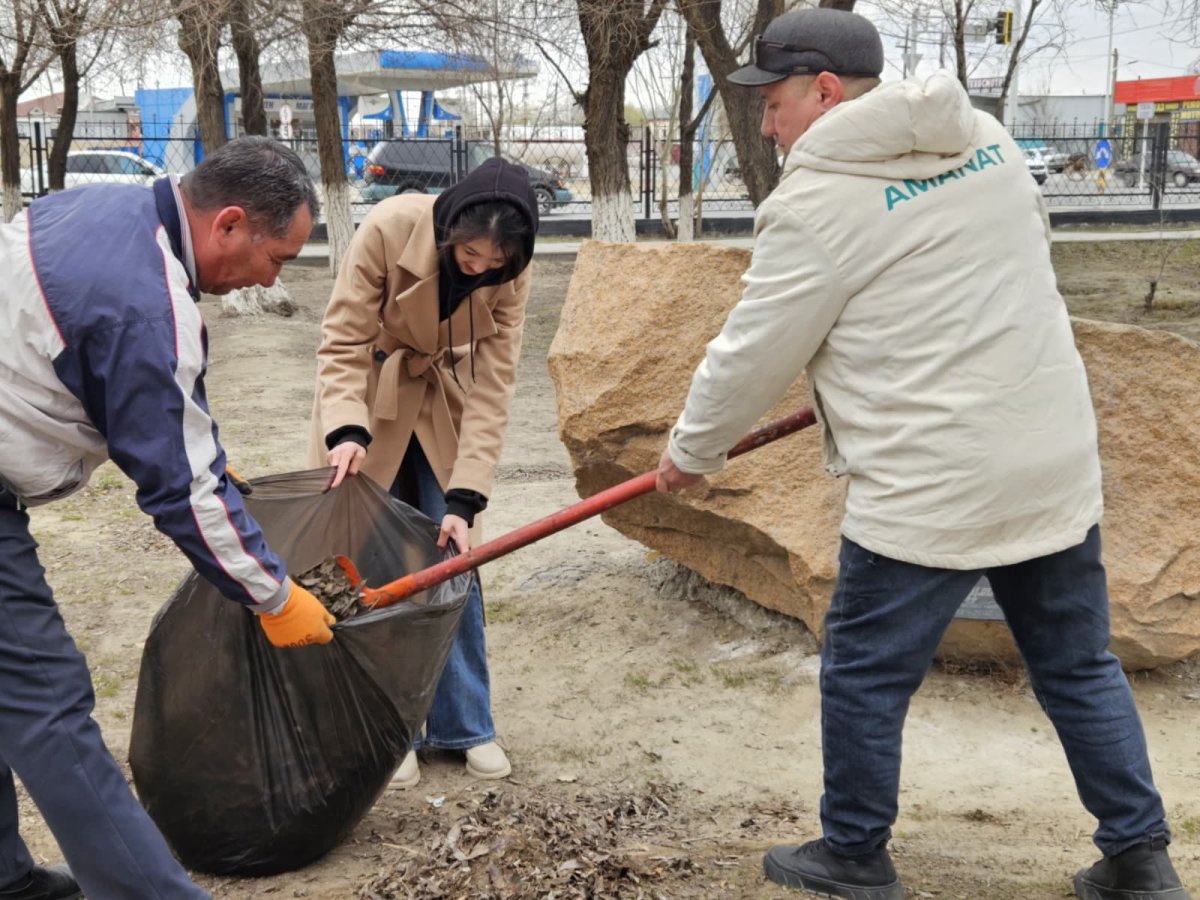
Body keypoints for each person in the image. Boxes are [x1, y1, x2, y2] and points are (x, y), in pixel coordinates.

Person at [654, 9, 1191, 900]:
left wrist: (692, 451)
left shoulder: (817, 203)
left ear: (826, 91)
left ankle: (853, 854)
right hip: (1048, 457)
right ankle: (1140, 859)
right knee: (1077, 663)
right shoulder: (986, 140)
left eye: (774, 103)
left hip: (933, 481)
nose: (767, 124)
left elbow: (753, 352)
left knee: (864, 671)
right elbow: (1012, 265)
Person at [0, 136, 337, 900]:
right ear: (229, 223)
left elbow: (94, 372)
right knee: (48, 705)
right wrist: (275, 596)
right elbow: (182, 495)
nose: (272, 277)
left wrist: (198, 458)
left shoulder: (101, 210)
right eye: (277, 257)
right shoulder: (148, 304)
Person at [308, 156, 537, 788]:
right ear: (450, 227)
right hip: (370, 403)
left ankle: (467, 724)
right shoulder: (388, 227)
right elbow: (343, 339)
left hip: (441, 408)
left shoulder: (512, 269)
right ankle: (394, 730)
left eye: (496, 262)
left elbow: (494, 384)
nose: (481, 268)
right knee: (375, 563)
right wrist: (345, 428)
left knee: (452, 555)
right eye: (470, 254)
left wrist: (466, 494)